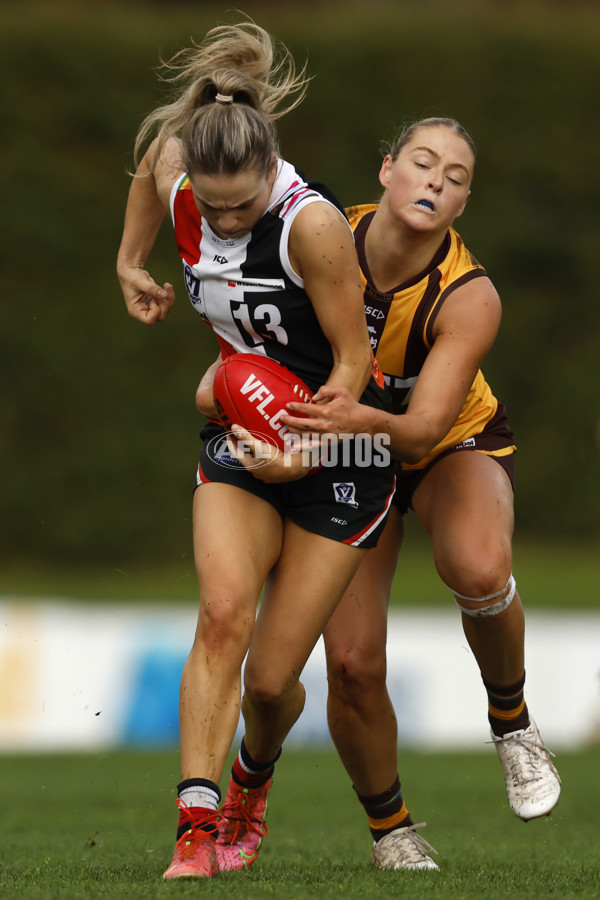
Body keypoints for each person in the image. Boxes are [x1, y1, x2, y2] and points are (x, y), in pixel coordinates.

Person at [116, 21, 395, 881]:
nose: (226, 217)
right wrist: (130, 264)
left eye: (243, 203)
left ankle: (250, 783)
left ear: (271, 170)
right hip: (244, 439)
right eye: (214, 203)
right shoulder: (185, 181)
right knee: (220, 616)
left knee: (272, 687)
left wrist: (303, 458)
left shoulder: (310, 227)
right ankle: (194, 834)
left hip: (340, 450)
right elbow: (157, 161)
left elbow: (353, 364)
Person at [283, 117, 562, 870]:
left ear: (463, 204)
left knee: (476, 567)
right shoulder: (316, 233)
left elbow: (422, 426)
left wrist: (344, 414)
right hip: (348, 448)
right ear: (387, 170)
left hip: (441, 443)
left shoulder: (470, 296)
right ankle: (393, 833)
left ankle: (513, 724)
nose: (436, 180)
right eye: (423, 162)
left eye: (456, 176)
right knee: (349, 663)